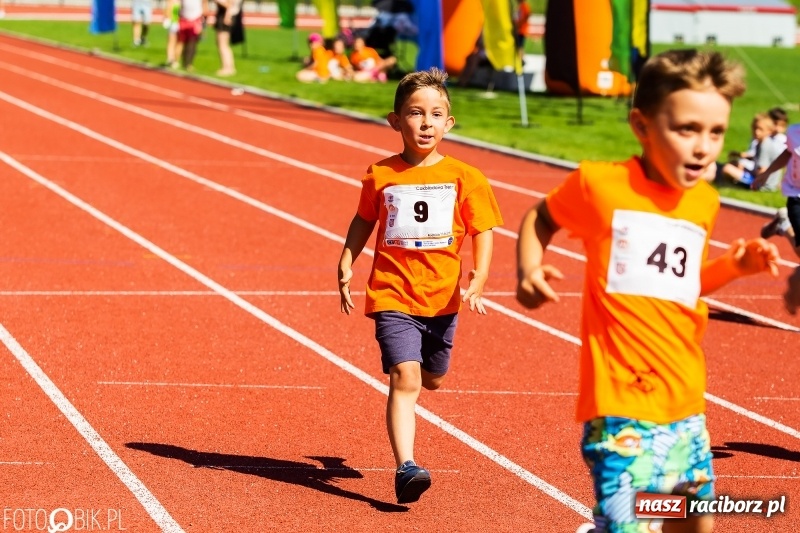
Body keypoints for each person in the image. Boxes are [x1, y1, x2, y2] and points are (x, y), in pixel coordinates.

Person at [515, 49, 780, 533]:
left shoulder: (704, 200)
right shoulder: (601, 185)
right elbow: (540, 217)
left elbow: (686, 283)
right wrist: (530, 267)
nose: (703, 147)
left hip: (685, 400)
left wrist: (736, 266)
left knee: (695, 521)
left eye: (716, 132)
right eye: (686, 129)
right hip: (621, 407)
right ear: (642, 125)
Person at [337, 67, 503, 504]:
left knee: (433, 379)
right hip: (393, 293)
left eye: (435, 114)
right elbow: (364, 219)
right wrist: (347, 258)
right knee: (404, 378)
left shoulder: (466, 177)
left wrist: (480, 275)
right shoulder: (381, 174)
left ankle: (425, 368)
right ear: (396, 121)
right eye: (415, 113)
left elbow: (483, 229)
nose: (425, 122)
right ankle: (406, 466)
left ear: (449, 123)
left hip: (443, 298)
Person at [754, 122, 800, 260]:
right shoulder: (794, 133)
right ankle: (785, 224)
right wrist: (766, 173)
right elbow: (788, 153)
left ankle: (784, 225)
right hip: (796, 195)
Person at [721, 113, 783, 191]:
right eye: (755, 128)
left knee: (728, 168)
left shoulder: (765, 146)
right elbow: (757, 158)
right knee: (735, 164)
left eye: (760, 129)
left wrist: (745, 172)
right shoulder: (761, 143)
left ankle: (734, 185)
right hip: (763, 180)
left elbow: (762, 170)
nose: (757, 132)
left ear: (769, 131)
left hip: (762, 184)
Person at [211, 0, 243, 76]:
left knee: (222, 44)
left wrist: (227, 15)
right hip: (228, 15)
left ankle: (227, 68)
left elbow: (229, 4)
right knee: (224, 44)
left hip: (225, 16)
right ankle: (229, 67)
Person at [175, 0, 208, 72]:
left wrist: (204, 21)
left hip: (196, 19)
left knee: (192, 42)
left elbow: (205, 4)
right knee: (181, 41)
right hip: (183, 18)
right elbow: (178, 4)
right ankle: (177, 61)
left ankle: (188, 63)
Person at [162, 0, 181, 68]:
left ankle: (175, 60)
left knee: (178, 42)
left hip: (180, 22)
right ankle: (170, 59)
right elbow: (168, 8)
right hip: (173, 22)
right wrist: (166, 18)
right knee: (172, 41)